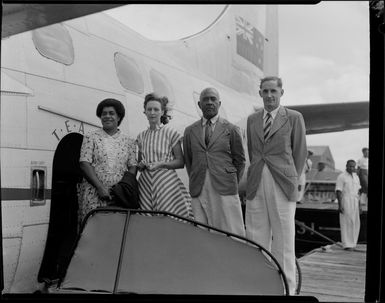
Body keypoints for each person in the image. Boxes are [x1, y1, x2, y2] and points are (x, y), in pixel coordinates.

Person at [244, 76, 307, 295]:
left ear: (281, 93)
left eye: (273, 91)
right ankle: (258, 287)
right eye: (265, 91)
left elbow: (300, 152)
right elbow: (253, 151)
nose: (269, 95)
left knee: (284, 239)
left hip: (282, 182)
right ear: (259, 93)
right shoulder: (252, 119)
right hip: (257, 182)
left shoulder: (294, 117)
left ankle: (287, 289)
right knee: (255, 236)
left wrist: (292, 178)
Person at [183, 87, 246, 237]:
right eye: (206, 99)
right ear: (199, 104)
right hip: (199, 187)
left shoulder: (232, 129)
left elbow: (240, 160)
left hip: (226, 187)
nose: (209, 102)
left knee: (231, 231)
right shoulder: (190, 131)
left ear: (219, 103)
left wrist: (231, 181)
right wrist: (197, 178)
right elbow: (189, 160)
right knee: (202, 231)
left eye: (213, 99)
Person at [78, 98, 137, 227]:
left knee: (116, 233)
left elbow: (133, 166)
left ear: (119, 117)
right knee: (92, 232)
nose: (107, 116)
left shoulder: (129, 141)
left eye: (111, 113)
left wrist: (122, 189)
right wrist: (100, 187)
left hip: (118, 198)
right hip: (93, 195)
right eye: (104, 113)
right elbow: (84, 163)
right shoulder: (91, 137)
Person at [136, 93, 193, 218]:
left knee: (168, 220)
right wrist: (141, 165)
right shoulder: (141, 136)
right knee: (148, 222)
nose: (152, 112)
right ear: (144, 111)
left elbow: (180, 162)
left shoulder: (171, 133)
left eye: (156, 109)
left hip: (166, 184)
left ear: (162, 112)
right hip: (145, 185)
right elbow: (139, 165)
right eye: (149, 109)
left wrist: (162, 163)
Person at [336, 160, 362, 250]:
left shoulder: (356, 177)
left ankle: (353, 243)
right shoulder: (341, 177)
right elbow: (338, 191)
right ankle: (347, 244)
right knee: (346, 222)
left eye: (353, 166)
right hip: (346, 200)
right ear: (346, 166)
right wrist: (340, 205)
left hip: (355, 200)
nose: (352, 168)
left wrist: (360, 205)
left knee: (355, 222)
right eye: (350, 166)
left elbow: (358, 192)